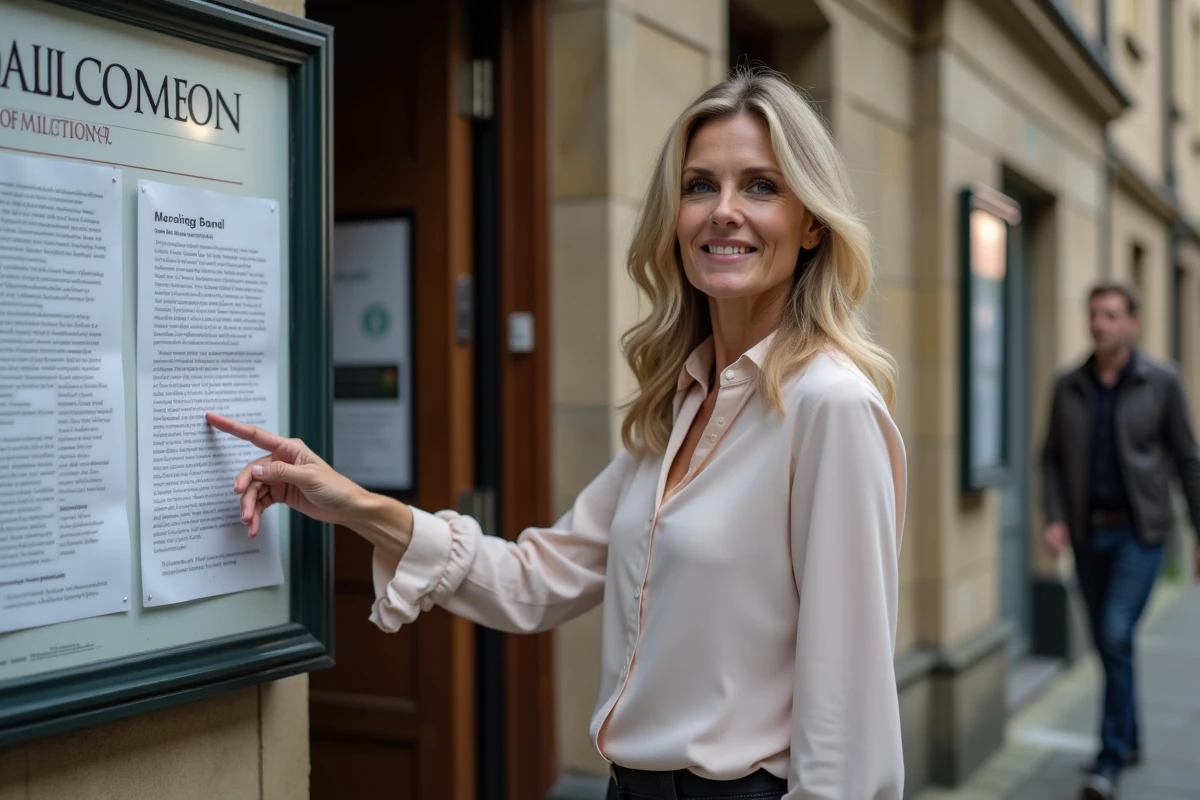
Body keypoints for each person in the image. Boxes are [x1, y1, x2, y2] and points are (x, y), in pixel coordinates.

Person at [207, 68, 908, 800]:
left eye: (761, 186)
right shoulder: (680, 405)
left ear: (814, 222)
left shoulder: (832, 408)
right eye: (700, 186)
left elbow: (847, 718)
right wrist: (350, 503)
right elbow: (535, 579)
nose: (723, 212)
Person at [1041, 282, 1200, 800]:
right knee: (1115, 646)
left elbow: (1187, 460)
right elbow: (1051, 459)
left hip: (1141, 535)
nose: (1099, 324)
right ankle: (1130, 738)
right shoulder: (1068, 384)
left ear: (1133, 322)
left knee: (1112, 636)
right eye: (1094, 315)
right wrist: (1056, 516)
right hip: (1089, 536)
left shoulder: (1161, 381)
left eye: (1110, 316)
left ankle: (1108, 760)